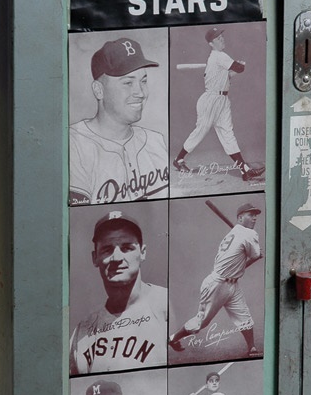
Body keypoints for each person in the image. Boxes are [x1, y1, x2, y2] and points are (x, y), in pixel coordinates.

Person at [69, 37, 169, 204]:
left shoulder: (155, 141)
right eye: (128, 83)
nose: (141, 92)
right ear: (99, 90)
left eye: (143, 81)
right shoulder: (74, 144)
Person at [70, 210, 167, 374]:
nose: (116, 258)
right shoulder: (82, 332)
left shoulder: (166, 305)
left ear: (142, 253)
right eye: (107, 249)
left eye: (127, 248)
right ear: (95, 258)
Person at [169, 202, 263, 356]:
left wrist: (255, 257)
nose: (254, 218)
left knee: (244, 316)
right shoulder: (249, 234)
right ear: (240, 218)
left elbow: (238, 267)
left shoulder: (233, 234)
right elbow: (253, 255)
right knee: (201, 323)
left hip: (232, 283)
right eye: (250, 215)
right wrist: (256, 256)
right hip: (216, 284)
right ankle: (173, 338)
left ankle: (251, 348)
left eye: (255, 216)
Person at [172, 27, 264, 182]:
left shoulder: (216, 60)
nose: (222, 40)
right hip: (211, 100)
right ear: (211, 43)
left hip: (222, 100)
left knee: (228, 135)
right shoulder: (219, 56)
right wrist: (239, 64)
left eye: (222, 37)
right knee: (200, 131)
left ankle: (245, 171)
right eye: (218, 38)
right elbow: (239, 68)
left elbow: (229, 76)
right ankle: (178, 159)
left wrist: (237, 67)